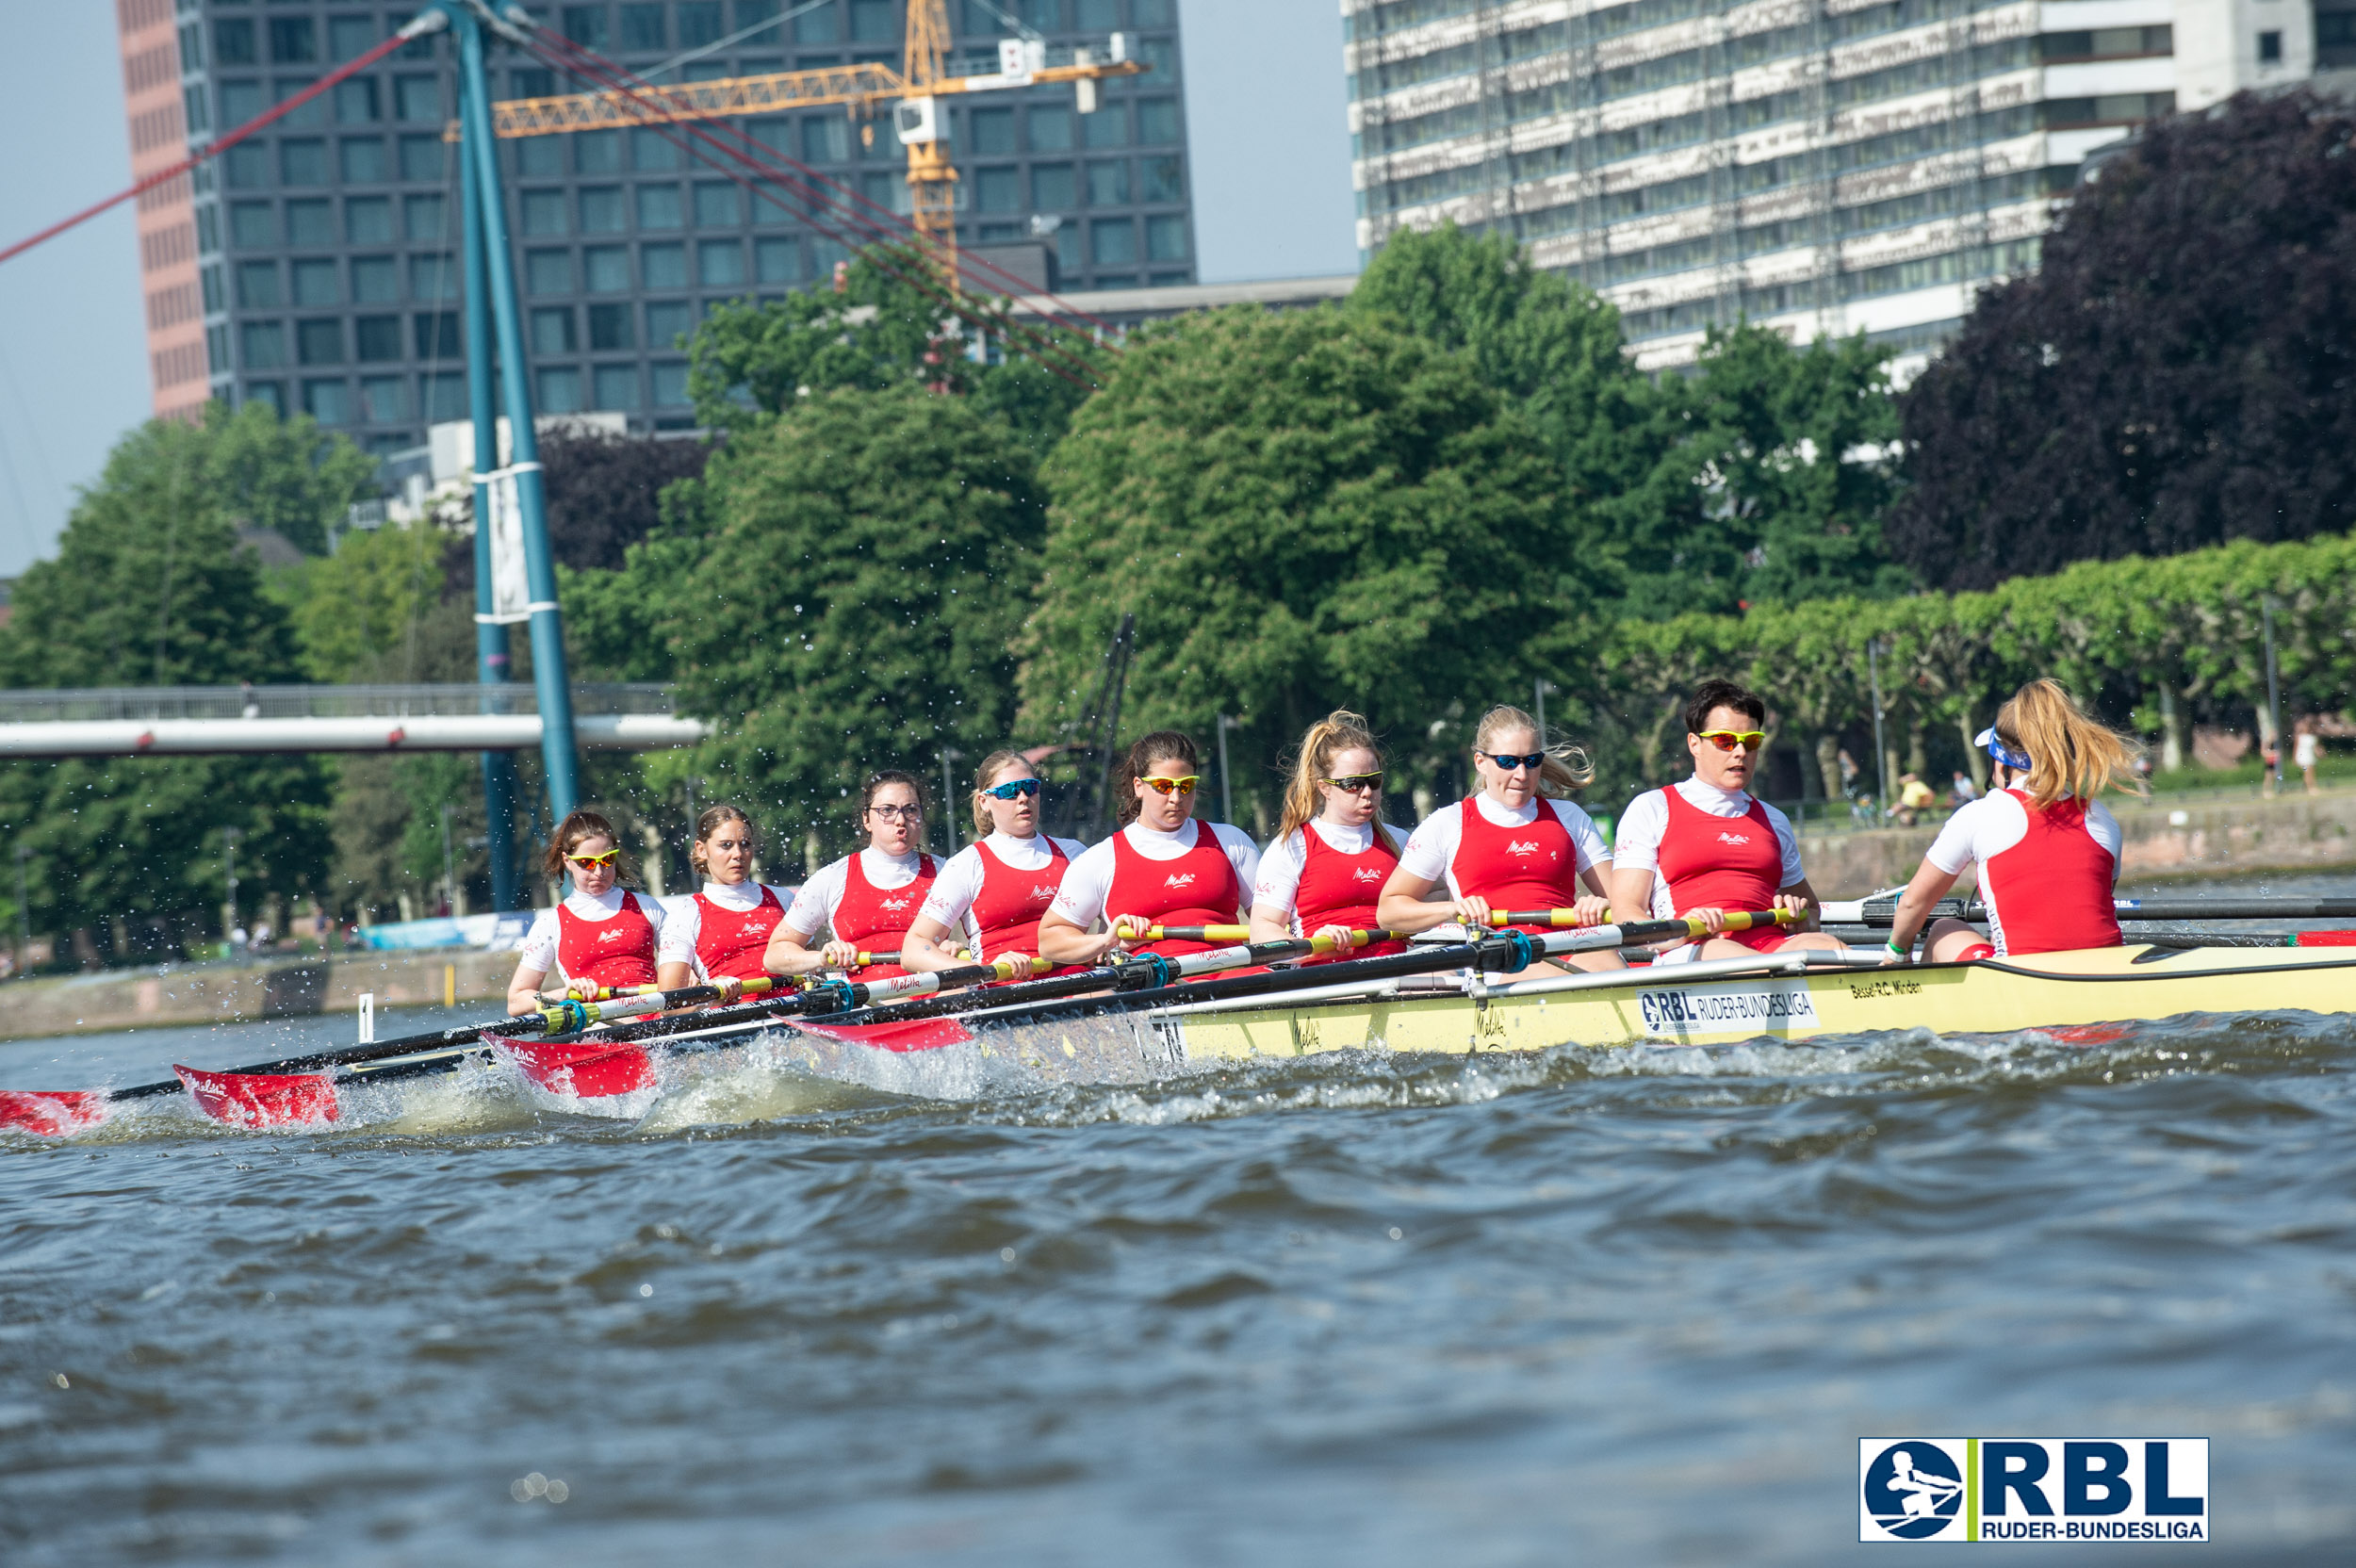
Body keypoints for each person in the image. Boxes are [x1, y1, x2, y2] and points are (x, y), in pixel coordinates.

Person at [1880, 678, 2139, 963]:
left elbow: (1912, 904)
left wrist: (1896, 954)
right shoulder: (2102, 817)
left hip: (2023, 977)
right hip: (2106, 972)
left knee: (1944, 927)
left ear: (2001, 762)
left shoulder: (1978, 815)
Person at [1609, 678, 1844, 962]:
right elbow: (1626, 913)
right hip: (1693, 946)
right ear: (1695, 744)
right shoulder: (1653, 808)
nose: (1740, 752)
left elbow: (1813, 912)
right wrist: (1678, 933)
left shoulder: (1774, 820)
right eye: (1725, 741)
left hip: (1770, 945)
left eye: (1751, 741)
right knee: (1732, 956)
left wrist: (1800, 916)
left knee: (1831, 949)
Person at [1375, 704, 1621, 975]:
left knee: (1612, 970)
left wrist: (1602, 903)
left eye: (1531, 761)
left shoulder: (1569, 816)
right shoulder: (1448, 823)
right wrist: (1453, 909)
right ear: (1481, 762)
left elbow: (1626, 902)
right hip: (1497, 956)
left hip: (1568, 944)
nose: (1522, 775)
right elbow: (1388, 912)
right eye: (1507, 762)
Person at [1037, 730, 1260, 966]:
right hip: (1151, 986)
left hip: (1232, 976)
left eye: (1185, 786)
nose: (1176, 797)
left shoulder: (1231, 841)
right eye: (1163, 786)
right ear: (1139, 786)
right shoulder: (1101, 859)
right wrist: (1105, 941)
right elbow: (1049, 943)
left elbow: (1270, 922)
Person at [903, 749, 1088, 975]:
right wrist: (980, 969)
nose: (1023, 798)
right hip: (1000, 987)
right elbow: (913, 949)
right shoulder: (967, 865)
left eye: (1030, 787)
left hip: (1076, 979)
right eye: (1009, 791)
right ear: (984, 802)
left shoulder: (1074, 854)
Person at [1250, 710, 1410, 965]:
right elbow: (1260, 931)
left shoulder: (1401, 842)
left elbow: (1437, 898)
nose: (1367, 792)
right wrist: (1311, 948)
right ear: (1324, 787)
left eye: (1374, 781)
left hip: (1397, 972)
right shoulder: (1293, 846)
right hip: (1325, 975)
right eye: (1353, 784)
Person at [763, 772, 937, 982]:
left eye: (910, 810)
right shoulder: (833, 878)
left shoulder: (947, 872)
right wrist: (822, 958)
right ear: (867, 819)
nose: (900, 820)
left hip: (937, 993)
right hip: (869, 1002)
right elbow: (774, 955)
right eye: (887, 811)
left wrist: (956, 947)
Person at [506, 808, 664, 1015]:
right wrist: (564, 994)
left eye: (607, 860)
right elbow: (516, 1002)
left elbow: (687, 967)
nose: (599, 872)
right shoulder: (550, 924)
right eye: (587, 863)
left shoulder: (648, 907)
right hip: (595, 1027)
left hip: (655, 1023)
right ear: (567, 861)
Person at [655, 805, 794, 1001]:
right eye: (726, 845)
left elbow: (815, 975)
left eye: (745, 844)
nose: (738, 854)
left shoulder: (784, 899)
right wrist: (711, 997)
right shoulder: (686, 913)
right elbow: (669, 1005)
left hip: (794, 1015)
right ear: (701, 850)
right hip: (730, 1021)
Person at [2296, 716, 2321, 794]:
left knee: (2310, 773)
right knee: (2307, 772)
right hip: (2302, 757)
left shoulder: (2312, 737)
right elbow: (2296, 747)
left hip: (2310, 756)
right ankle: (2311, 788)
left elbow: (2315, 748)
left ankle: (2308, 787)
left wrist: (2319, 753)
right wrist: (2294, 758)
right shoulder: (2299, 737)